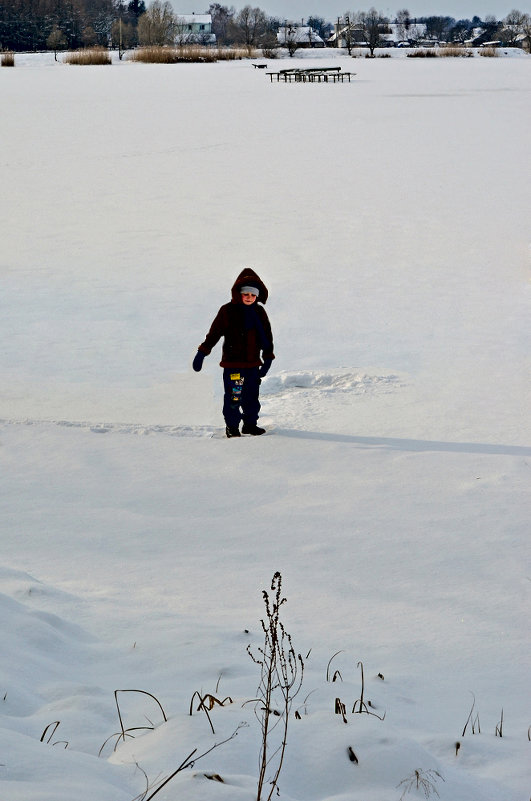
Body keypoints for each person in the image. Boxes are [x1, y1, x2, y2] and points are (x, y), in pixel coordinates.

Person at [192, 269, 275, 438]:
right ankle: (232, 427)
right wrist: (202, 352)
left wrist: (267, 358)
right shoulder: (227, 311)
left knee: (251, 397)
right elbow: (214, 333)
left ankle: (250, 425)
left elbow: (267, 336)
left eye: (253, 295)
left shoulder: (259, 313)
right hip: (233, 365)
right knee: (234, 398)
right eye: (246, 293)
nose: (249, 297)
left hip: (252, 365)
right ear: (239, 293)